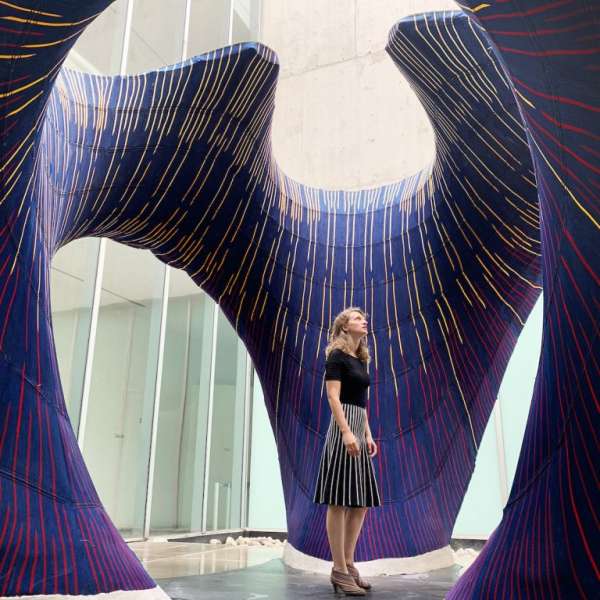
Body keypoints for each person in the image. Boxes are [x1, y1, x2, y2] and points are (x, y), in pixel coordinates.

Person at [313, 307, 382, 596]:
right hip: (343, 429)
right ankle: (339, 569)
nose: (364, 321)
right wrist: (346, 432)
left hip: (358, 426)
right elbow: (333, 396)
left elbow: (361, 401)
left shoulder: (361, 358)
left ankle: (349, 564)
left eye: (364, 318)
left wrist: (367, 433)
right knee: (339, 501)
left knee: (360, 501)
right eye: (357, 318)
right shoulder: (336, 356)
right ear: (344, 326)